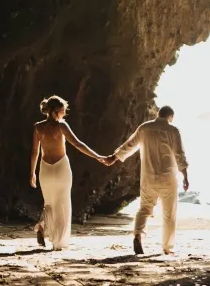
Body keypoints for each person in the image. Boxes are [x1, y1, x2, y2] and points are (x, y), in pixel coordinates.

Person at [102, 105, 189, 255]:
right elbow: (179, 155)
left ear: (158, 114)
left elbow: (129, 145)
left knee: (144, 208)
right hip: (168, 177)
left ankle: (138, 235)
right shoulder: (173, 130)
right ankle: (167, 248)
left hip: (148, 177)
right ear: (171, 117)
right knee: (169, 214)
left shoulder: (144, 128)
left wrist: (114, 157)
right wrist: (185, 176)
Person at [29, 95, 107, 250]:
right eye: (63, 111)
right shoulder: (61, 126)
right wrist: (97, 156)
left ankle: (42, 227)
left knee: (49, 203)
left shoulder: (38, 127)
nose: (64, 114)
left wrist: (32, 173)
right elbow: (78, 144)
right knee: (62, 203)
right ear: (55, 112)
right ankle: (58, 243)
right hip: (61, 168)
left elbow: (34, 151)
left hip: (45, 168)